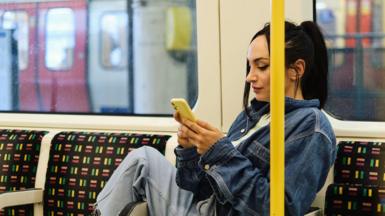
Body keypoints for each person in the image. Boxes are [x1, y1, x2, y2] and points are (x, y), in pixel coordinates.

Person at [93, 20, 336, 216]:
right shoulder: (249, 118)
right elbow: (197, 188)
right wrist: (190, 151)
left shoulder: (311, 127)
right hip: (202, 206)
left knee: (142, 159)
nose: (250, 77)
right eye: (249, 67)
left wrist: (219, 152)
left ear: (296, 70)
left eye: (261, 66)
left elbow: (280, 209)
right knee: (143, 159)